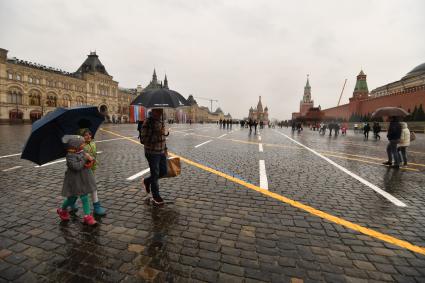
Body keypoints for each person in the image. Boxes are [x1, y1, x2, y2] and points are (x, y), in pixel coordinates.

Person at [57, 135, 97, 225]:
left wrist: (91, 160)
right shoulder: (69, 156)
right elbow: (76, 167)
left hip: (83, 179)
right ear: (76, 145)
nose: (84, 144)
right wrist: (85, 158)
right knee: (72, 198)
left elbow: (88, 159)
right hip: (74, 181)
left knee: (84, 196)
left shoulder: (82, 151)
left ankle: (87, 216)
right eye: (82, 143)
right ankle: (62, 210)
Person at [140, 109, 168, 205]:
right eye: (159, 111)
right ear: (154, 111)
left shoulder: (161, 120)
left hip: (161, 151)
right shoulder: (148, 122)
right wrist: (157, 134)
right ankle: (156, 196)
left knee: (164, 171)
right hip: (152, 152)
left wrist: (165, 148)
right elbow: (143, 139)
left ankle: (147, 181)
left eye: (161, 111)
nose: (161, 112)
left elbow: (163, 137)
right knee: (155, 173)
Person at [80, 128, 106, 216]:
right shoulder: (81, 146)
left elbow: (94, 155)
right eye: (85, 135)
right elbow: (80, 159)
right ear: (82, 137)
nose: (88, 136)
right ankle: (96, 206)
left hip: (92, 169)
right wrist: (87, 161)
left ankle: (70, 204)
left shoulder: (93, 143)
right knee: (92, 188)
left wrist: (94, 161)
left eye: (89, 134)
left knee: (79, 190)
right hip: (84, 170)